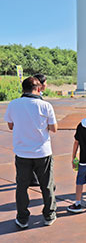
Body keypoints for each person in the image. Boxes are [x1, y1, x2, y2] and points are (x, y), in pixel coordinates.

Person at [4, 76, 58, 228]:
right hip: (42, 152)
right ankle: (49, 215)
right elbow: (54, 128)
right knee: (47, 185)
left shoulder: (13, 104)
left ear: (23, 88)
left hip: (22, 153)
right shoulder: (45, 105)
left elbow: (10, 125)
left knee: (22, 187)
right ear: (38, 89)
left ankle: (22, 219)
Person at [28, 73, 48, 187]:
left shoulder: (39, 94)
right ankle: (34, 178)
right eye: (45, 82)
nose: (47, 84)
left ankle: (33, 177)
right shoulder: (35, 97)